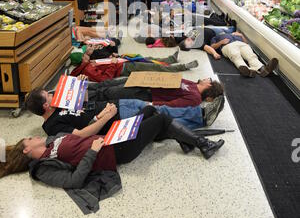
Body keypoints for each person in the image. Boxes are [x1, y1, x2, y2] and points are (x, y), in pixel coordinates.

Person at [0, 108, 225, 203]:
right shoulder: (43, 168)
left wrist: (102, 117)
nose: (35, 137)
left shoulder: (52, 140)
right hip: (117, 151)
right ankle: (203, 144)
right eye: (30, 140)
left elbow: (82, 134)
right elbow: (74, 180)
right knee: (162, 119)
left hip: (113, 136)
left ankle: (185, 141)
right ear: (27, 150)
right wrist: (92, 152)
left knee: (148, 110)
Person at [24, 87, 225, 139]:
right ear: (44, 107)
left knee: (160, 109)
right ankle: (201, 117)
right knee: (160, 119)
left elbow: (83, 104)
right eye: (47, 96)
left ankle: (199, 113)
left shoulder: (59, 106)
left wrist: (81, 86)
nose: (51, 95)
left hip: (115, 104)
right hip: (115, 118)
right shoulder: (52, 127)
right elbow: (81, 135)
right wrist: (107, 117)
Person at [91, 76, 224, 108]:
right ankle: (80, 88)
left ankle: (79, 98)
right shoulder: (193, 84)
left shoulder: (195, 98)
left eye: (209, 79)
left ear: (209, 85)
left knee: (108, 93)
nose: (206, 78)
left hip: (145, 93)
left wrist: (149, 104)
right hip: (145, 82)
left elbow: (173, 104)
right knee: (108, 84)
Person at [71, 51, 199, 82]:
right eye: (84, 55)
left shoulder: (89, 63)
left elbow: (103, 64)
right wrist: (113, 64)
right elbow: (105, 79)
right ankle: (182, 67)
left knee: (149, 59)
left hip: (122, 62)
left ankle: (171, 59)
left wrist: (112, 57)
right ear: (82, 60)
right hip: (124, 68)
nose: (86, 54)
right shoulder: (88, 69)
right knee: (154, 67)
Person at [210, 31, 279, 77]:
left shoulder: (235, 34)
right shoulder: (216, 37)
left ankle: (262, 69)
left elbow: (246, 43)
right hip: (228, 45)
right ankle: (247, 70)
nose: (223, 32)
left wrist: (242, 36)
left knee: (250, 55)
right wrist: (221, 42)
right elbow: (212, 47)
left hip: (241, 44)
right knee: (235, 55)